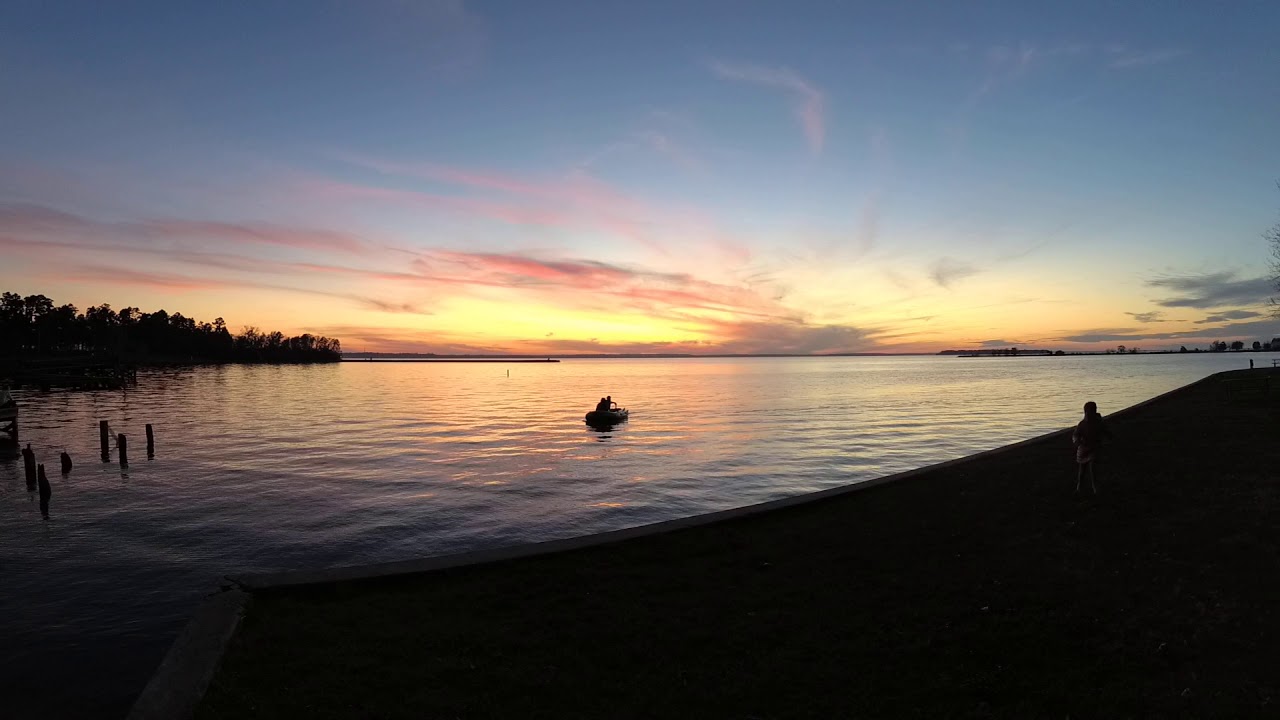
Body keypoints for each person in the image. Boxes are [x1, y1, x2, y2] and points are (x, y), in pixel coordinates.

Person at [1072, 401, 1112, 494]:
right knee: (1082, 470)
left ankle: (1095, 487)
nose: (1088, 414)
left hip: (1095, 448)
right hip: (1083, 449)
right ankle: (1079, 486)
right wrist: (1077, 441)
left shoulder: (1099, 422)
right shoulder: (1082, 424)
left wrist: (1110, 437)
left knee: (1093, 467)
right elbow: (1076, 434)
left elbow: (1105, 431)